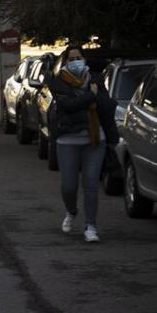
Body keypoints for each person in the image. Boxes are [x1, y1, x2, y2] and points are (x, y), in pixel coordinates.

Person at [48, 45, 118, 242]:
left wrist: (95, 98)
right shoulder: (58, 81)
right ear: (65, 62)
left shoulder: (95, 79)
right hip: (67, 140)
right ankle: (71, 211)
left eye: (79, 58)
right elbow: (68, 106)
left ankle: (91, 226)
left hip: (95, 139)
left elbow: (107, 106)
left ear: (85, 60)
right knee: (69, 186)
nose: (75, 61)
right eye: (71, 59)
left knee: (91, 184)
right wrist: (91, 96)